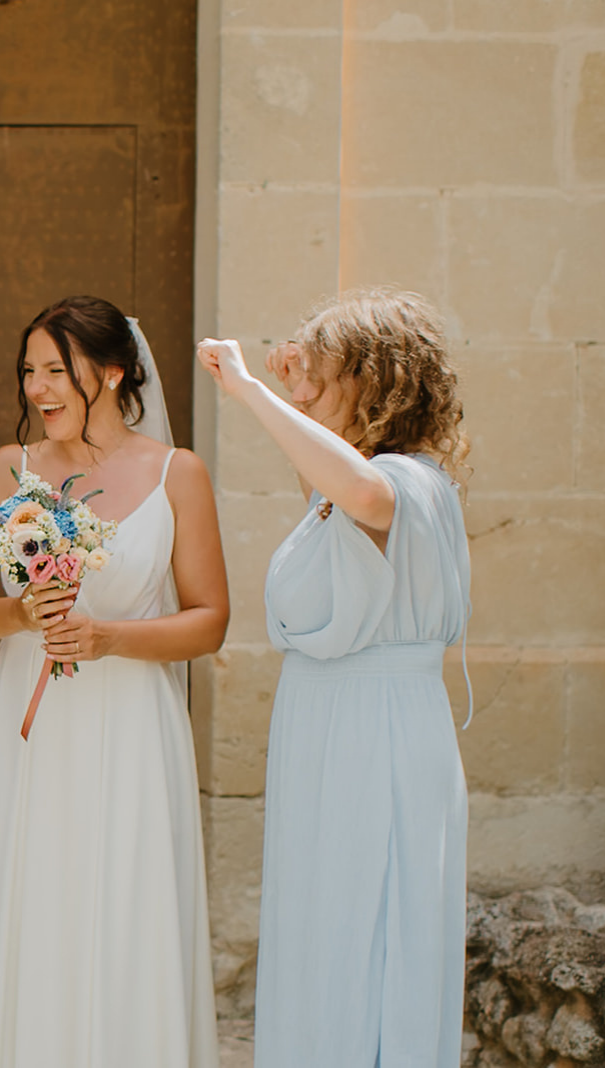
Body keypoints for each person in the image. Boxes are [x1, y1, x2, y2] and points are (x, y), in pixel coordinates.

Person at [0, 297, 228, 1067]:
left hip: (130, 731)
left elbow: (210, 621)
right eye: (29, 371)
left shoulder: (177, 476)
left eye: (57, 370)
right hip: (21, 732)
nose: (38, 387)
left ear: (115, 371)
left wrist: (108, 638)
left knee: (124, 913)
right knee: (26, 908)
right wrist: (25, 616)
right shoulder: (11, 468)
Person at [197, 289, 471, 1068]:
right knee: (327, 924)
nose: (305, 387)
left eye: (322, 374)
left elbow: (359, 492)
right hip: (329, 723)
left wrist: (249, 391)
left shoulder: (404, 481)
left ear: (377, 380)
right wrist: (300, 398)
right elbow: (337, 497)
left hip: (374, 728)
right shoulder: (351, 487)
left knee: (371, 922)